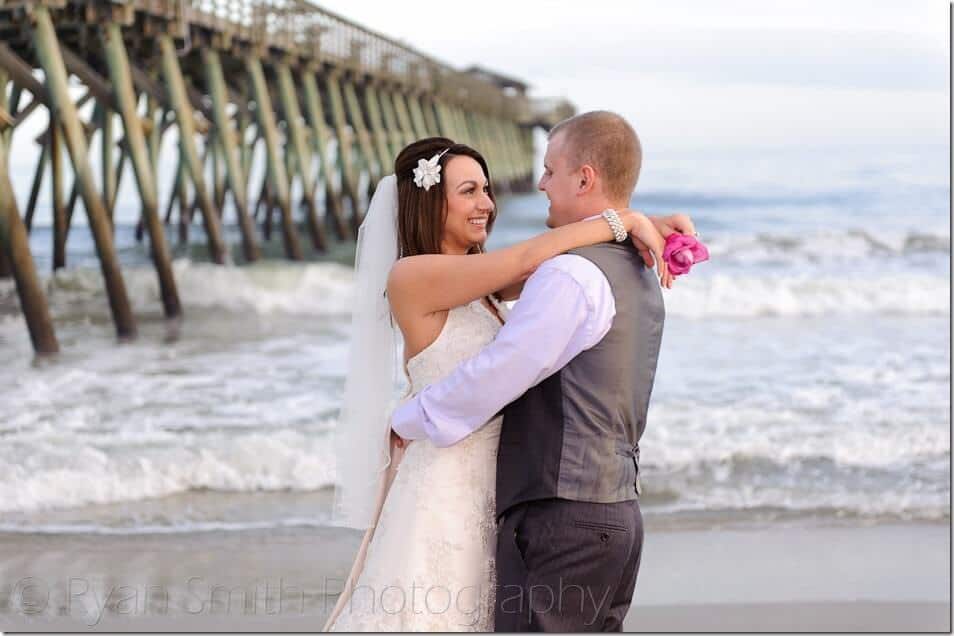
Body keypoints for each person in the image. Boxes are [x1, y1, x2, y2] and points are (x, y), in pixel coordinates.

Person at [324, 131, 691, 631]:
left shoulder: (484, 283)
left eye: (486, 190)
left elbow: (554, 260)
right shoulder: (411, 276)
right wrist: (620, 219)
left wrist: (642, 225)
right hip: (443, 486)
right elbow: (528, 259)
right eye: (468, 192)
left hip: (497, 495)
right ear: (430, 204)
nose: (486, 205)